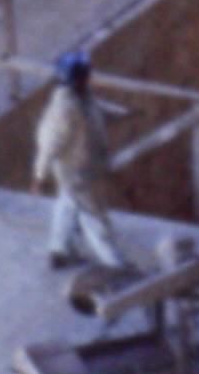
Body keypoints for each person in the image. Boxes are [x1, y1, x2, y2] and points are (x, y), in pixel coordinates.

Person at [34, 49, 129, 273]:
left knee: (67, 205)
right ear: (74, 78)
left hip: (82, 168)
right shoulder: (65, 109)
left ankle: (59, 251)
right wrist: (39, 175)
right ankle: (114, 264)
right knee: (94, 217)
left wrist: (120, 113)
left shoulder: (81, 96)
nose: (89, 76)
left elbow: (94, 111)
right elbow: (50, 145)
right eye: (85, 73)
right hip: (78, 171)